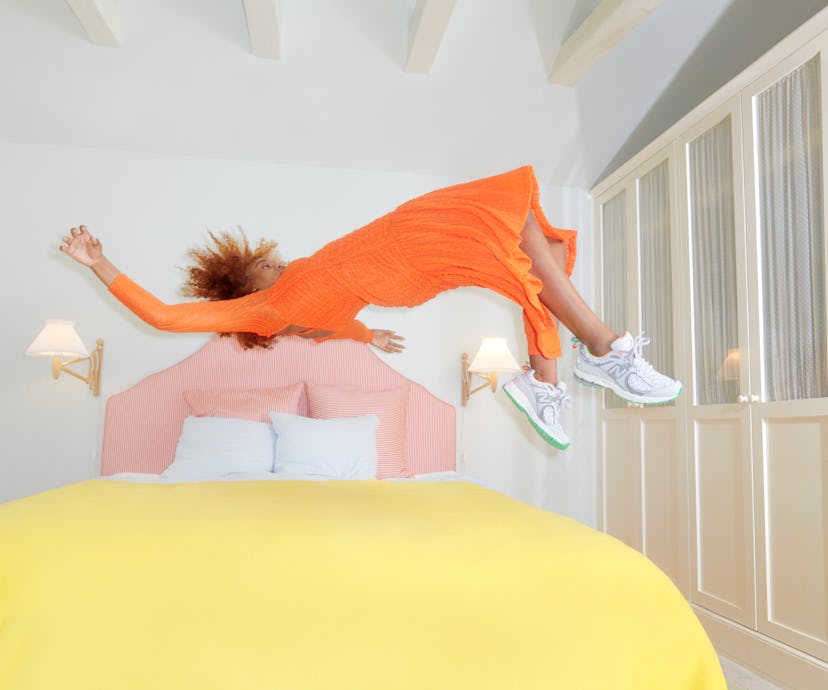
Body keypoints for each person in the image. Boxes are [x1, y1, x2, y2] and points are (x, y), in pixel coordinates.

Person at [60, 166, 681, 449]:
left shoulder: (311, 318)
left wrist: (369, 339)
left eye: (272, 259)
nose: (275, 264)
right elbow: (165, 318)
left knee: (527, 248)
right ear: (240, 289)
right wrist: (99, 264)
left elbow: (338, 328)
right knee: (504, 216)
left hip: (396, 270)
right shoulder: (262, 312)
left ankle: (552, 377)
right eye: (262, 266)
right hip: (392, 255)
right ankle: (600, 351)